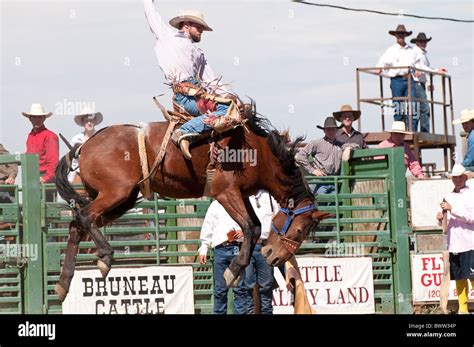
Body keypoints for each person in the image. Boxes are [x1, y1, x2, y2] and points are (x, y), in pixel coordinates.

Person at [143, 0, 231, 159]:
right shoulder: (166, 35)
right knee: (224, 111)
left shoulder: (199, 54)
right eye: (199, 27)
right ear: (187, 25)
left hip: (198, 93)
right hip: (184, 96)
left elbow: (211, 81)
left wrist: (230, 97)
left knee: (229, 107)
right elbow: (151, 14)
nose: (202, 31)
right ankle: (184, 131)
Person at [198, 200, 248, 314]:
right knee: (220, 290)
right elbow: (208, 226)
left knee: (239, 289)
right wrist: (204, 248)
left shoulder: (240, 202)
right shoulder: (215, 205)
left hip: (237, 248)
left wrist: (244, 231)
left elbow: (249, 223)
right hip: (220, 248)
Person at [436, 164, 474, 314]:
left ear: (465, 177)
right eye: (455, 177)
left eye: (460, 176)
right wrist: (440, 218)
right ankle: (463, 309)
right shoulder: (448, 196)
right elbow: (445, 224)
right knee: (459, 278)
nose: (457, 179)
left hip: (470, 242)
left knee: (472, 277)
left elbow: (472, 217)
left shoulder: (471, 194)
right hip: (454, 244)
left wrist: (452, 209)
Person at [295, 117, 357, 196]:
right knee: (322, 204)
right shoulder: (316, 143)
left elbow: (356, 146)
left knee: (334, 204)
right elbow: (300, 156)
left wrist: (349, 148)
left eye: (333, 129)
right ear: (324, 130)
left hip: (334, 181)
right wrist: (313, 170)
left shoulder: (341, 144)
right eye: (328, 129)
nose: (331, 132)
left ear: (337, 130)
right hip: (320, 182)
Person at [376, 25, 418, 131]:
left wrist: (417, 71)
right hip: (396, 80)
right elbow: (382, 62)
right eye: (399, 34)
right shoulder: (391, 50)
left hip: (409, 79)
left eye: (402, 34)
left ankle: (412, 130)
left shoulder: (411, 50)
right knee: (398, 106)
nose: (400, 36)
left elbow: (416, 65)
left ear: (405, 35)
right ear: (395, 36)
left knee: (412, 105)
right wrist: (379, 68)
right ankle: (399, 130)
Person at [243, 190, 278, 315]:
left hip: (265, 245)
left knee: (267, 286)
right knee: (248, 285)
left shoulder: (269, 196)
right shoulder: (243, 196)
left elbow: (278, 218)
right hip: (247, 245)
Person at [411, 32, 448, 133]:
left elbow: (424, 68)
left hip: (420, 83)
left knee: (419, 109)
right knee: (424, 108)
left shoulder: (422, 53)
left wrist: (436, 69)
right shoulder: (415, 52)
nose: (424, 43)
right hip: (416, 82)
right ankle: (424, 132)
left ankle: (418, 131)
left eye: (425, 41)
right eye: (422, 41)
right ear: (417, 42)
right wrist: (414, 71)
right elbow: (416, 66)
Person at [23, 103, 59, 184]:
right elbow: (30, 155)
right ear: (30, 118)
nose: (37, 120)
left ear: (44, 118)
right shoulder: (30, 135)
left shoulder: (50, 136)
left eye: (39, 117)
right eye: (34, 117)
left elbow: (53, 161)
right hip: (32, 177)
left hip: (46, 178)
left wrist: (46, 178)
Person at [68, 107, 103, 182]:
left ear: (95, 122)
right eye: (87, 121)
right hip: (78, 173)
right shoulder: (76, 139)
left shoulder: (100, 138)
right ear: (83, 123)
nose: (89, 123)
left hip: (96, 174)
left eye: (91, 121)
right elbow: (72, 160)